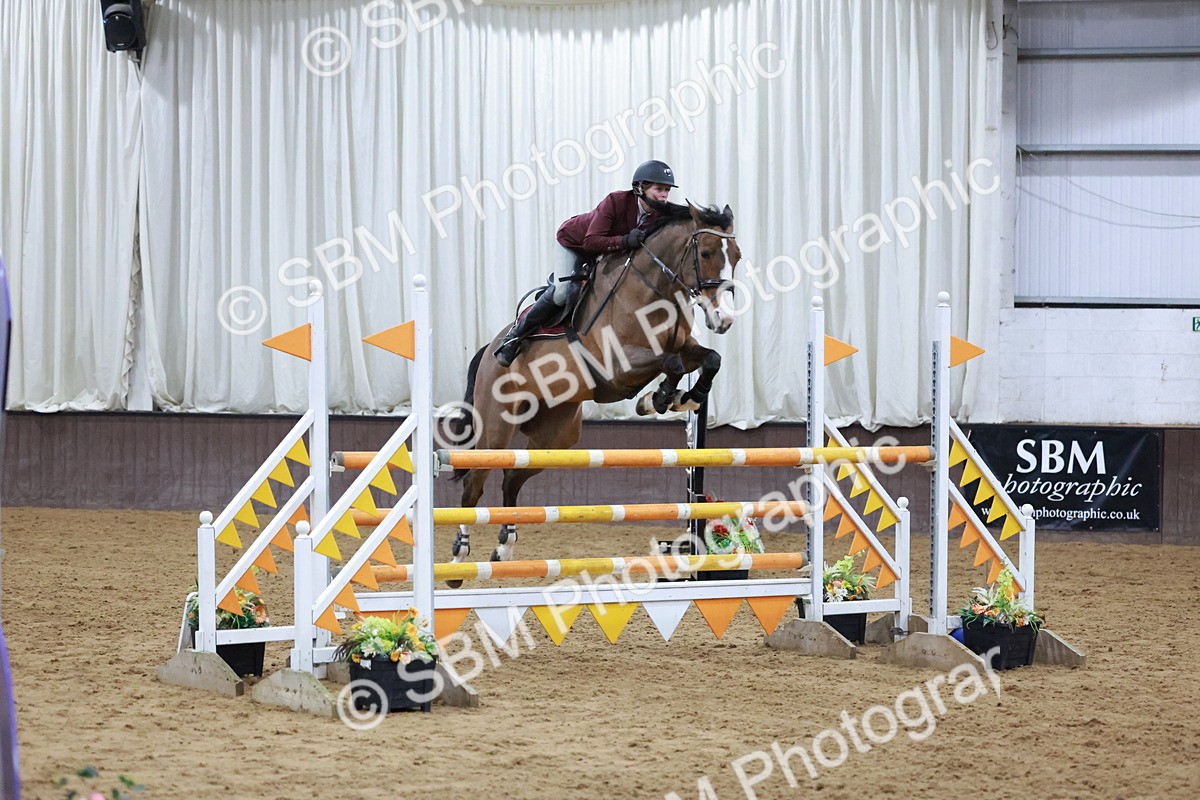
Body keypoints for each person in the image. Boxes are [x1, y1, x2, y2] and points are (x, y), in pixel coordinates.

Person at [493, 160, 677, 367]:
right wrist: (625, 241)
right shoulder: (616, 201)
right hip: (574, 244)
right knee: (561, 293)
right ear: (640, 188)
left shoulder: (659, 213)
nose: (663, 195)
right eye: (659, 189)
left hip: (608, 251)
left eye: (667, 191)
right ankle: (515, 337)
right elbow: (590, 241)